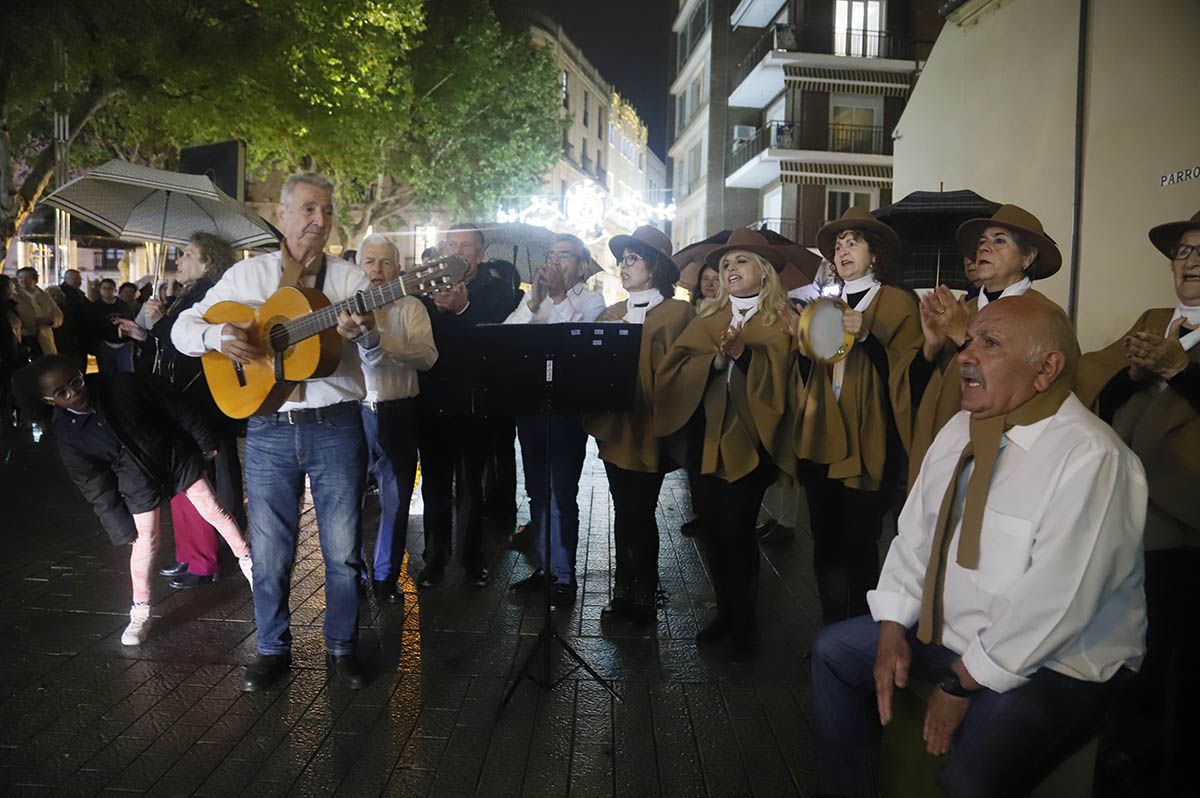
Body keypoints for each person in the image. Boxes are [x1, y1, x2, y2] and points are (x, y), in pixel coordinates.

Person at [810, 295, 1147, 798]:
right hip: (953, 632)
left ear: (1045, 369)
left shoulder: (1092, 458)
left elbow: (1059, 603)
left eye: (989, 343)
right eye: (970, 340)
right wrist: (890, 627)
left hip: (1059, 660)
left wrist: (961, 683)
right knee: (833, 652)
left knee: (969, 780)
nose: (966, 355)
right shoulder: (962, 428)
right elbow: (914, 535)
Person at [172, 172, 387, 691]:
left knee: (342, 551)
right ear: (284, 214)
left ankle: (342, 647)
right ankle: (271, 648)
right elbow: (182, 331)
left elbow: (376, 360)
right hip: (267, 426)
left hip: (336, 425)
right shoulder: (248, 279)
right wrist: (218, 335)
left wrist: (367, 337)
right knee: (268, 551)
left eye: (328, 211)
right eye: (310, 209)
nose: (320, 220)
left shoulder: (349, 283)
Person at [1074, 209, 1200, 796]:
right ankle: (1119, 748)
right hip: (1127, 507)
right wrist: (1130, 373)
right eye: (1182, 251)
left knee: (1171, 654)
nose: (1190, 261)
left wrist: (1181, 371)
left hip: (1184, 519)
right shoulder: (1155, 319)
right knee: (1124, 636)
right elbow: (1108, 382)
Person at [16, 356, 253, 646]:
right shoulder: (67, 434)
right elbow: (93, 483)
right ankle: (141, 610)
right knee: (144, 542)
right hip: (134, 477)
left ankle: (248, 562)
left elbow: (177, 405)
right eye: (61, 392)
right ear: (49, 400)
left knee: (213, 509)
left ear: (81, 373)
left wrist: (205, 441)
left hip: (173, 455)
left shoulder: (121, 384)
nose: (74, 392)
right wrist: (118, 526)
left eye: (75, 381)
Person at [654, 229, 801, 659]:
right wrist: (715, 360)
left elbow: (785, 383)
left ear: (765, 273)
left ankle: (744, 622)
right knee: (714, 535)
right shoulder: (708, 319)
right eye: (726, 264)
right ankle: (725, 611)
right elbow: (673, 371)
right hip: (705, 441)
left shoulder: (780, 321)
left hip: (750, 445)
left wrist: (744, 356)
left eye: (741, 261)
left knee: (737, 534)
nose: (731, 269)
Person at [800, 207, 922, 624]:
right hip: (823, 434)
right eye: (838, 245)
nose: (843, 250)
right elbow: (815, 368)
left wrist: (868, 336)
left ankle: (860, 633)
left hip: (872, 439)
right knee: (824, 541)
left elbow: (911, 372)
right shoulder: (827, 303)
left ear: (876, 254)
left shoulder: (897, 302)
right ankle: (832, 627)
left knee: (859, 543)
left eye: (854, 242)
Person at [115, 232, 248, 588]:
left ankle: (210, 556)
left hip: (200, 403)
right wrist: (145, 335)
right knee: (188, 480)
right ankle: (194, 555)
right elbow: (168, 345)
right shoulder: (186, 295)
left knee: (202, 480)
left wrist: (159, 323)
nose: (179, 261)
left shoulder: (208, 294)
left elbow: (191, 347)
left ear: (207, 263)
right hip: (183, 401)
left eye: (188, 254)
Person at [906, 204, 1061, 485]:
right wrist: (931, 346)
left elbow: (1038, 390)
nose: (984, 249)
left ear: (1028, 257)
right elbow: (916, 389)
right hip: (946, 445)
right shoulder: (962, 308)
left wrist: (960, 335)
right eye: (981, 242)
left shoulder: (1041, 315)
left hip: (1004, 459)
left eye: (999, 240)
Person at [584, 226, 693, 625]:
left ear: (656, 267)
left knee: (640, 512)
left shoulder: (679, 312)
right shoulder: (612, 311)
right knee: (623, 510)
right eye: (622, 259)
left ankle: (644, 592)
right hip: (618, 428)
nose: (623, 266)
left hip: (651, 426)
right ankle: (624, 589)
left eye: (632, 259)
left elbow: (682, 371)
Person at [414, 223, 519, 588]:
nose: (458, 252)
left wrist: (463, 309)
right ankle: (434, 558)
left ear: (479, 254)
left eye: (466, 246)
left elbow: (494, 338)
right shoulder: (426, 291)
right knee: (435, 485)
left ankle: (472, 558)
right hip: (432, 402)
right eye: (452, 244)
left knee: (472, 485)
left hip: (476, 402)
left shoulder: (495, 291)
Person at [505, 234, 606, 606]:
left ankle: (564, 576)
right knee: (536, 491)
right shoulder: (533, 300)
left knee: (561, 492)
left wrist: (561, 297)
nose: (556, 262)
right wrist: (532, 302)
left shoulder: (592, 300)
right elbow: (506, 338)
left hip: (565, 410)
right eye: (552, 255)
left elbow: (577, 341)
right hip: (530, 404)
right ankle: (546, 567)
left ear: (582, 265)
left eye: (565, 256)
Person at [354, 233, 437, 604]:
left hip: (399, 411)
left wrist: (380, 339)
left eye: (385, 262)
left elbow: (428, 356)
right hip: (355, 412)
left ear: (398, 269)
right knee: (345, 498)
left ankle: (385, 574)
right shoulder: (346, 310)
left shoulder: (412, 307)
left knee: (397, 498)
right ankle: (350, 572)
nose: (377, 270)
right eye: (369, 262)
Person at [13, 267, 63, 359]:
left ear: (35, 279)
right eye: (20, 277)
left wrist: (52, 321)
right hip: (25, 338)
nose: (23, 280)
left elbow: (57, 314)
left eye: (27, 277)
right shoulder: (14, 296)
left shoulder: (44, 296)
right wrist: (32, 322)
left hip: (45, 337)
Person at [90, 278, 136, 374]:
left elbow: (131, 322)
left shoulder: (124, 306)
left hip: (124, 345)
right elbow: (92, 326)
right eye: (104, 288)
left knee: (127, 374)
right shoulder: (95, 306)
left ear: (115, 290)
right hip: (104, 345)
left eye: (110, 288)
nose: (107, 291)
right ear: (100, 290)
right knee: (105, 375)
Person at [55, 269, 91, 369]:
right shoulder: (60, 293)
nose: (77, 281)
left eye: (79, 279)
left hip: (80, 336)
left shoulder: (79, 294)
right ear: (66, 279)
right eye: (74, 278)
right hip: (67, 336)